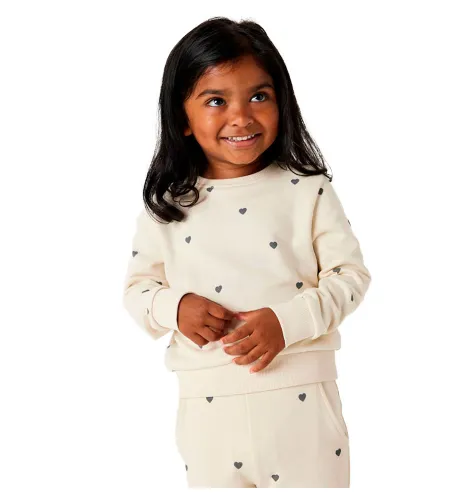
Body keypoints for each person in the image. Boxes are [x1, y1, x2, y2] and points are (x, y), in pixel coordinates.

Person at [122, 16, 371, 488]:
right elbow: (137, 290)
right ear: (182, 119)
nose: (241, 116)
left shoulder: (308, 191)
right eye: (216, 101)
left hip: (302, 405)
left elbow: (350, 277)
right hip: (207, 411)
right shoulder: (169, 206)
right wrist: (175, 307)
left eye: (259, 96)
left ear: (282, 102)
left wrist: (287, 322)